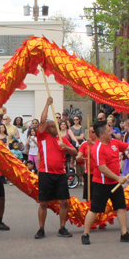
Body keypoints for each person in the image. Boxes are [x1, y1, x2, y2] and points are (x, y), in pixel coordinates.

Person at [81, 121, 129, 245]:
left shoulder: (114, 142)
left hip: (115, 183)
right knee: (94, 209)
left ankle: (124, 233)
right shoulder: (98, 148)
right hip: (101, 183)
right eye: (108, 131)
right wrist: (118, 178)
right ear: (101, 134)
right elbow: (102, 168)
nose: (111, 132)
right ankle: (85, 233)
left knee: (121, 208)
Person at [35, 97, 77, 239]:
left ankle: (62, 227)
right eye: (53, 126)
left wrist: (67, 148)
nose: (56, 128)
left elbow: (75, 153)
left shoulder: (62, 139)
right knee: (44, 203)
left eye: (56, 126)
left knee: (64, 202)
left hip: (60, 174)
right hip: (45, 173)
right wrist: (47, 104)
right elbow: (42, 121)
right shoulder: (42, 136)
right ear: (47, 128)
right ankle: (41, 229)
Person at [76, 126, 98, 200]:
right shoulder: (85, 144)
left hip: (99, 173)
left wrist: (92, 143)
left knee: (98, 196)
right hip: (88, 173)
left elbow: (103, 150)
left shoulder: (100, 142)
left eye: (93, 132)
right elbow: (78, 156)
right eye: (89, 132)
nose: (91, 134)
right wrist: (79, 158)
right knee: (88, 196)